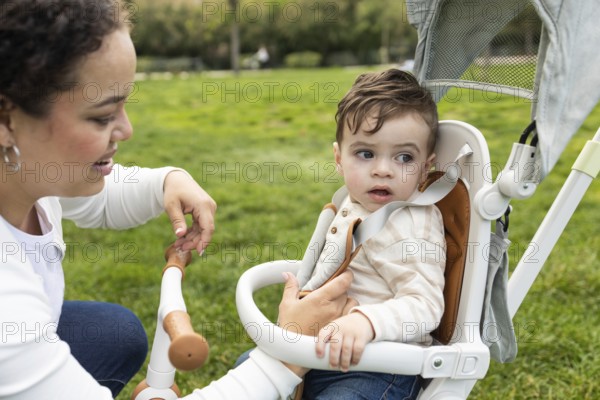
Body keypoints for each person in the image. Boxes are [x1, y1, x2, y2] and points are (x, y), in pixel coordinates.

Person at [0, 1, 354, 399]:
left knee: (115, 333)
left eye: (124, 106)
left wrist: (166, 182)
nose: (127, 129)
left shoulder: (24, 177)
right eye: (102, 116)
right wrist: (286, 355)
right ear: (7, 120)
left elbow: (97, 199)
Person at [298, 69, 447, 399]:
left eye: (404, 157)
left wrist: (365, 322)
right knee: (250, 368)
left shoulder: (411, 225)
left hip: (379, 367)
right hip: (324, 352)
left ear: (426, 168)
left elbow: (424, 304)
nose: (383, 169)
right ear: (339, 158)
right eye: (366, 153)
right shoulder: (353, 203)